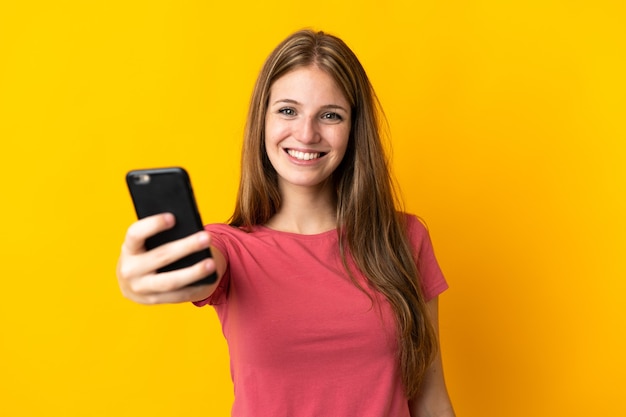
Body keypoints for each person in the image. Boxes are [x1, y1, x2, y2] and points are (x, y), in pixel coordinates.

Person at [116, 29, 456, 417]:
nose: (306, 134)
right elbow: (200, 268)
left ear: (354, 130)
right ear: (262, 120)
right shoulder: (229, 248)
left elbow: (431, 400)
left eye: (330, 115)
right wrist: (139, 276)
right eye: (288, 110)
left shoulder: (404, 239)